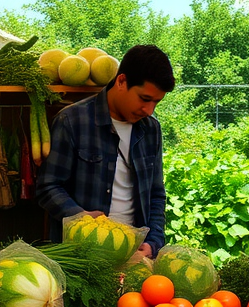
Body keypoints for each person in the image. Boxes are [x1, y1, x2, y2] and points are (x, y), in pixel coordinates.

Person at [36, 44, 175, 258]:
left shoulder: (151, 129)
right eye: (145, 99)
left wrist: (154, 241)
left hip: (134, 254)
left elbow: (156, 194)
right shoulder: (72, 121)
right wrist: (80, 218)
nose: (149, 110)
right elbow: (48, 187)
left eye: (157, 102)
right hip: (81, 255)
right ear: (121, 81)